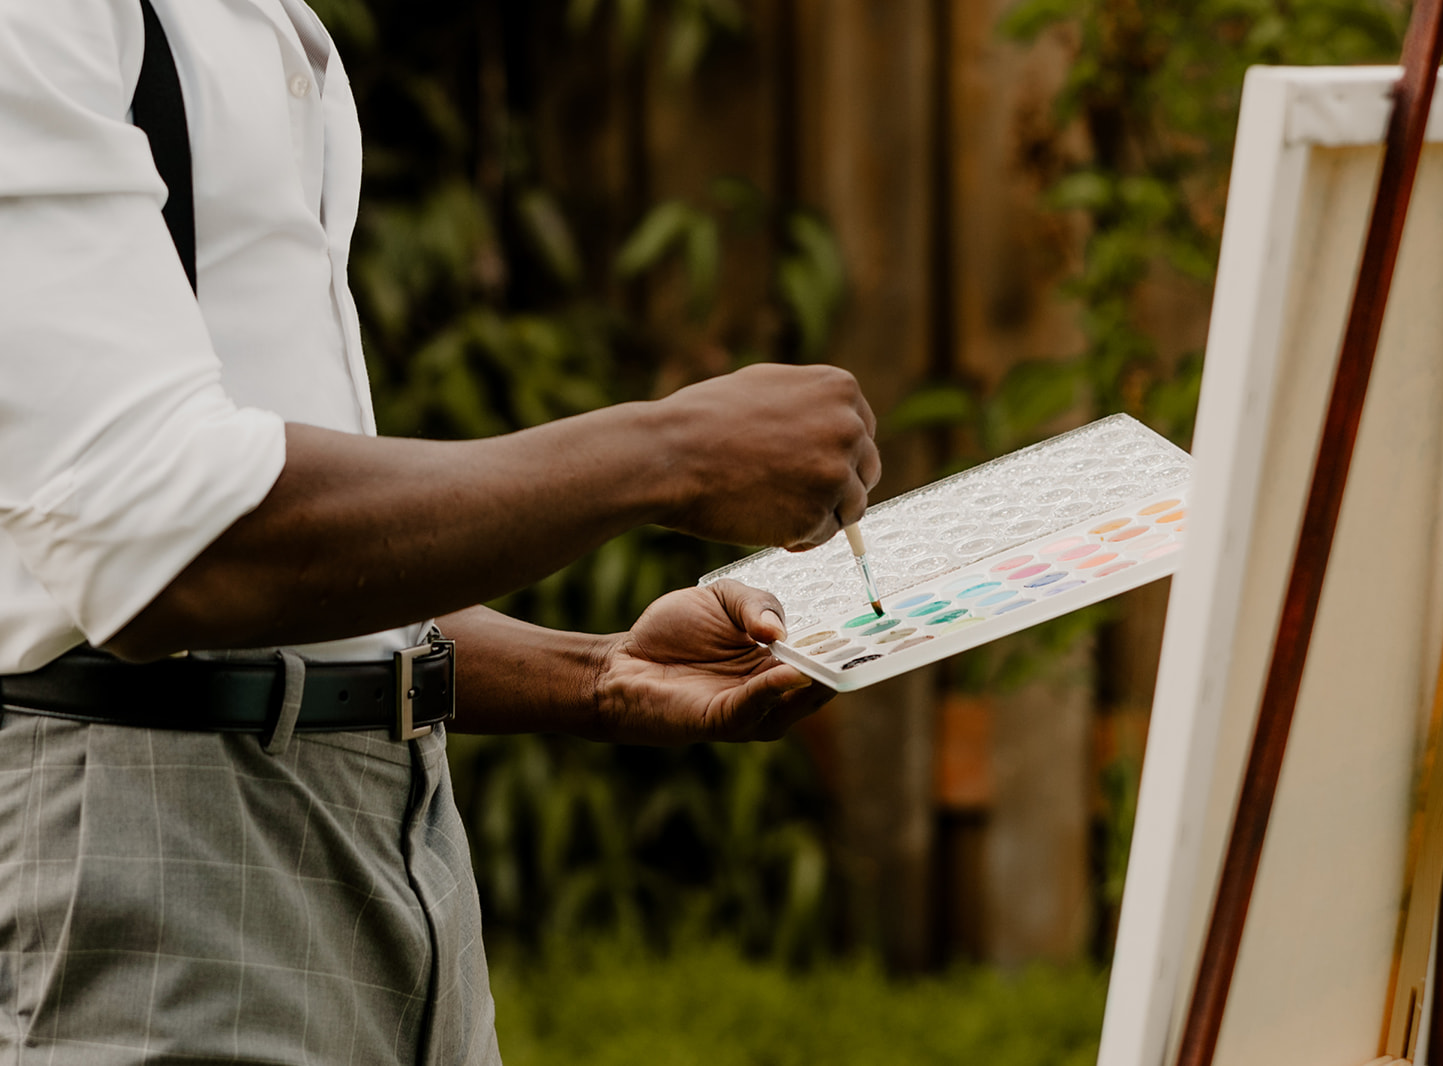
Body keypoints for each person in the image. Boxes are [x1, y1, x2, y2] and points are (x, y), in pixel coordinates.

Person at [0, 1, 880, 1063]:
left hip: (403, 849)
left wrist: (592, 672)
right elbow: (166, 537)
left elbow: (275, 575)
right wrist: (673, 450)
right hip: (159, 850)